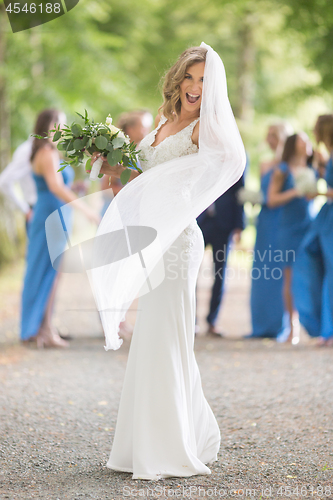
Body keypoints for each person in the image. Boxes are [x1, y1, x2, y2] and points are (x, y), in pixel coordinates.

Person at [90, 44, 246, 479]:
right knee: (155, 338)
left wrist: (187, 192)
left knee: (166, 334)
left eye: (204, 81)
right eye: (190, 78)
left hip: (177, 240)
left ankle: (170, 446)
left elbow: (233, 161)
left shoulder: (203, 130)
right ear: (178, 78)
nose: (196, 88)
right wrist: (115, 169)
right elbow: (140, 182)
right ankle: (157, 439)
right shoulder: (161, 122)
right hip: (151, 237)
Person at [21, 109, 99, 348]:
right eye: (60, 124)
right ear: (49, 125)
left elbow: (57, 185)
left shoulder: (49, 152)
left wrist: (74, 186)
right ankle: (43, 330)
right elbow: (54, 187)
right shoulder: (46, 151)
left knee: (49, 274)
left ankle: (42, 328)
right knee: (47, 274)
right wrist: (85, 210)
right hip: (50, 217)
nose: (64, 129)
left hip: (55, 216)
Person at [267, 132, 313, 343]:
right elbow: (271, 200)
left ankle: (313, 324)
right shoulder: (282, 170)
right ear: (294, 145)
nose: (308, 144)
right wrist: (295, 192)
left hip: (310, 226)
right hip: (288, 228)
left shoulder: (315, 168)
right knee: (290, 278)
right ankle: (292, 328)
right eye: (304, 141)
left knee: (310, 276)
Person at [248, 123, 292, 339]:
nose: (270, 139)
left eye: (274, 134)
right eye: (269, 134)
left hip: (282, 221)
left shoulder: (288, 166)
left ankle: (279, 326)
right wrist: (253, 199)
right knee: (261, 271)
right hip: (265, 221)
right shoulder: (265, 165)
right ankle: (260, 325)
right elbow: (262, 193)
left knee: (279, 271)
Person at [293, 115, 333, 346]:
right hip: (325, 218)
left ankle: (328, 330)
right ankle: (323, 326)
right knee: (311, 263)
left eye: (317, 129)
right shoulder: (327, 156)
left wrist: (318, 194)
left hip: (329, 216)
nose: (314, 132)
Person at [197, 172, 245, 336]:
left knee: (220, 273)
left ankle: (212, 321)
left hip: (225, 224)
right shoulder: (199, 151)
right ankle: (191, 321)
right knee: (191, 272)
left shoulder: (234, 154)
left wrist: (239, 225)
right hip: (199, 221)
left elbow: (240, 192)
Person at [0, 137, 36, 224]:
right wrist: (25, 209)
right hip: (35, 211)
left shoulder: (46, 148)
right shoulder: (28, 150)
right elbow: (4, 182)